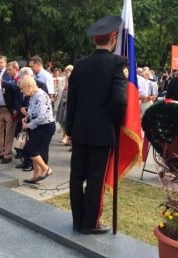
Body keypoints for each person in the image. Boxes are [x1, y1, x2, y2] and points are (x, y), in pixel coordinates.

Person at [66, 16, 127, 234]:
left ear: (95, 41)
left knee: (76, 177)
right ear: (113, 38)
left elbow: (71, 101)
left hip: (80, 131)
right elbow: (119, 100)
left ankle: (77, 220)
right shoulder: (118, 63)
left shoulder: (80, 65)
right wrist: (116, 122)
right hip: (103, 132)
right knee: (95, 179)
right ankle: (89, 223)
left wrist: (69, 130)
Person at [18, 75, 55, 183]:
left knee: (29, 149)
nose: (21, 91)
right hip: (38, 127)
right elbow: (34, 111)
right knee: (35, 151)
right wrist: (27, 117)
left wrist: (29, 125)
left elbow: (42, 116)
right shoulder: (33, 95)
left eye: (22, 88)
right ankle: (36, 176)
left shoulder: (40, 95)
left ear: (29, 86)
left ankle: (46, 169)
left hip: (45, 127)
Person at [0, 72, 20, 164]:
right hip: (0, 111)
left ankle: (7, 155)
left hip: (9, 111)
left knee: (9, 133)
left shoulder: (9, 85)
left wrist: (15, 109)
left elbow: (17, 96)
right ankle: (0, 152)